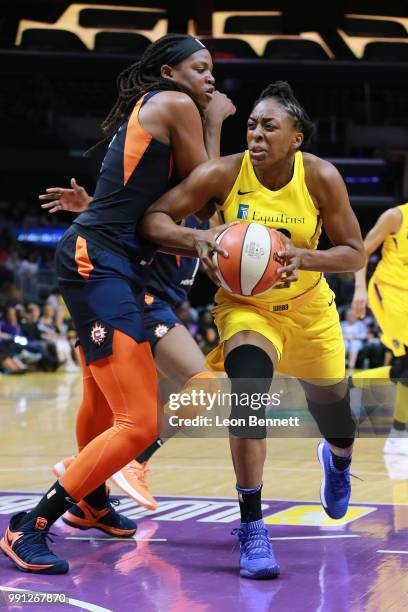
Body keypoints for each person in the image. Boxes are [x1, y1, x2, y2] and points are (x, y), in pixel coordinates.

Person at [0, 33, 234, 575]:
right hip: (97, 263)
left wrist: (98, 206)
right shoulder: (176, 105)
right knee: (138, 420)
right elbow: (209, 191)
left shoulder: (156, 108)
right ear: (171, 73)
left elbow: (147, 196)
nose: (210, 78)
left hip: (123, 266)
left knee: (115, 406)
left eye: (211, 70)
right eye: (200, 68)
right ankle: (27, 526)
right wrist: (217, 122)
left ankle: (94, 503)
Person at [140, 81, 366, 579]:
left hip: (309, 311)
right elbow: (154, 219)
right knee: (247, 394)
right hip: (246, 309)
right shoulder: (223, 172)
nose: (256, 134)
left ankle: (339, 461)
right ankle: (252, 525)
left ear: (297, 137)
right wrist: (195, 236)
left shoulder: (321, 177)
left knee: (339, 424)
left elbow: (355, 252)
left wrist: (302, 256)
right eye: (251, 125)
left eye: (269, 126)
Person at [40, 181, 223, 511]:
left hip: (126, 306)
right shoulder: (167, 209)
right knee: (202, 385)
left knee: (110, 412)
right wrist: (91, 206)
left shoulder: (209, 224)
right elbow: (132, 220)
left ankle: (82, 475)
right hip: (138, 303)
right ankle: (134, 461)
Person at [352, 204, 408, 455]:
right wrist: (359, 289)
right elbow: (361, 251)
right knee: (406, 363)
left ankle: (349, 384)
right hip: (388, 295)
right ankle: (398, 435)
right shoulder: (396, 216)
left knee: (403, 368)